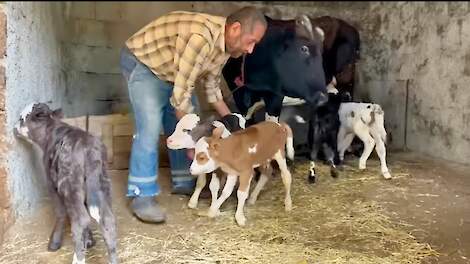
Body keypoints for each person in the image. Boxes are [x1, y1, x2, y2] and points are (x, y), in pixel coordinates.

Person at [119, 7, 267, 223]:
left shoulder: (226, 47)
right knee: (150, 127)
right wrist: (194, 141)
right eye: (250, 41)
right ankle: (142, 195)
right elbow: (181, 97)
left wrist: (234, 126)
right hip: (144, 62)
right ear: (235, 29)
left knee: (186, 118)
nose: (251, 50)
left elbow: (212, 89)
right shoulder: (200, 39)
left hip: (173, 72)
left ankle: (184, 182)